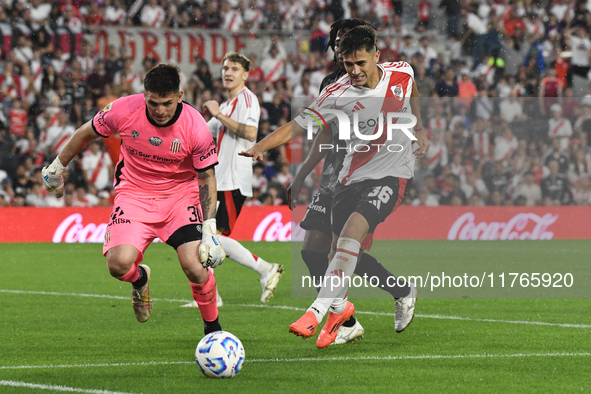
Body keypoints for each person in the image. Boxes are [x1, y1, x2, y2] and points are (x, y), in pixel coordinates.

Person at [240, 26, 429, 348]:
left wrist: (420, 128)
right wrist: (262, 146)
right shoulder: (335, 94)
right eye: (347, 64)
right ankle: (365, 304)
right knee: (333, 252)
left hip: (392, 175)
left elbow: (411, 93)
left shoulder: (402, 72)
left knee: (351, 235)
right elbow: (296, 127)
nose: (354, 71)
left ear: (376, 56)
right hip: (347, 178)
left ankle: (317, 310)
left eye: (360, 63)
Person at [42, 64, 226, 336]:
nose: (159, 110)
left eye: (166, 103)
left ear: (180, 95)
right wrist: (57, 167)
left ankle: (213, 329)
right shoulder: (124, 109)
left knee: (195, 266)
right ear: (144, 95)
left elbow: (207, 177)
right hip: (134, 195)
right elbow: (85, 132)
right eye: (153, 102)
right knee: (117, 265)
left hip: (179, 196)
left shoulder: (196, 126)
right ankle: (140, 279)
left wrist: (210, 227)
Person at [289, 18, 419, 346]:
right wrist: (303, 173)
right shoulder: (332, 85)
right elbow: (324, 134)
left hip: (371, 173)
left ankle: (391, 294)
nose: (345, 50)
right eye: (340, 43)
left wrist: (417, 129)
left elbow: (406, 95)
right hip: (336, 174)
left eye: (352, 45)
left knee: (347, 248)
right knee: (312, 250)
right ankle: (344, 315)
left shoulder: (384, 77)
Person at [200, 53, 284, 305]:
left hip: (234, 180)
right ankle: (210, 295)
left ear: (245, 75)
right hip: (220, 179)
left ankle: (265, 269)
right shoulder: (226, 106)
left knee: (212, 237)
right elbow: (203, 135)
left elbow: (250, 132)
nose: (228, 72)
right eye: (225, 67)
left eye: (234, 69)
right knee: (207, 235)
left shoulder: (248, 99)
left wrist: (217, 114)